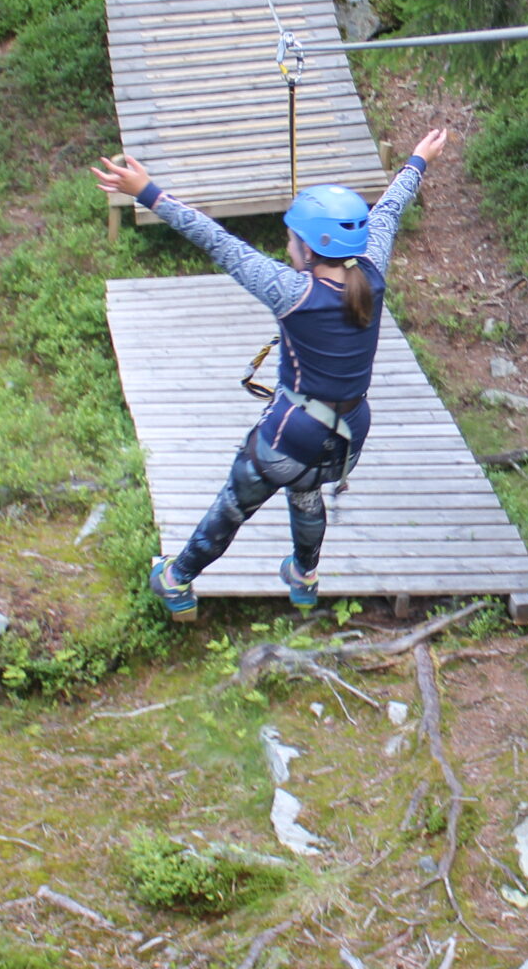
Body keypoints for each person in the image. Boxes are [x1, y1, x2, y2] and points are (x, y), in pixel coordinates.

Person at [91, 129, 450, 617]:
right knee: (306, 493)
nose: (287, 246)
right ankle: (304, 575)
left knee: (235, 505)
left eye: (291, 239)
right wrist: (417, 161)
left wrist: (148, 193)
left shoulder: (291, 291)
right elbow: (387, 210)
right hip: (348, 440)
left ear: (309, 248)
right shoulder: (373, 267)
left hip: (290, 436)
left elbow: (217, 241)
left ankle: (177, 579)